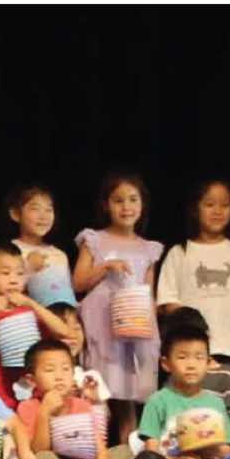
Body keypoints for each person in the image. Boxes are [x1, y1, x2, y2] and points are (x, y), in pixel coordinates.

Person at [73, 172, 164, 437]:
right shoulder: (94, 240)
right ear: (106, 205)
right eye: (118, 200)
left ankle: (129, 453)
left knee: (128, 398)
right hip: (102, 324)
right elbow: (78, 282)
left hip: (133, 327)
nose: (126, 207)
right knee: (98, 392)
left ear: (142, 204)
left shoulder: (148, 248)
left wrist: (149, 334)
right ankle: (94, 451)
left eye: (133, 200)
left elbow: (149, 294)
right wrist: (105, 267)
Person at [156, 180, 230, 412]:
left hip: (229, 349)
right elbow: (168, 302)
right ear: (195, 208)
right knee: (185, 411)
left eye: (225, 205)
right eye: (210, 204)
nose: (217, 211)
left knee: (226, 413)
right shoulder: (180, 253)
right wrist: (194, 324)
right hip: (189, 351)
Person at [130, 320, 230, 459]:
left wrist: (209, 447)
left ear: (209, 363)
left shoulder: (216, 403)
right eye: (182, 357)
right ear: (166, 364)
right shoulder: (158, 400)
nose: (191, 365)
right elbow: (152, 448)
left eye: (199, 357)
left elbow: (227, 451)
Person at [14, 340, 131, 459]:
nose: (59, 376)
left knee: (125, 453)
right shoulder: (28, 407)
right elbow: (39, 449)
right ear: (32, 380)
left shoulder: (82, 405)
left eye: (66, 369)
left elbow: (101, 451)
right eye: (50, 370)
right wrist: (44, 413)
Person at [0, 244, 77, 402]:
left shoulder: (31, 312)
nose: (13, 280)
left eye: (20, 274)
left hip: (33, 399)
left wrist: (32, 303)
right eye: (5, 273)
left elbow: (66, 332)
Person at [6, 184, 75, 309]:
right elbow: (5, 290)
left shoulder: (60, 254)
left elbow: (69, 296)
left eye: (49, 210)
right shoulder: (9, 250)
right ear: (15, 214)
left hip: (65, 318)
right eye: (35, 209)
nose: (43, 216)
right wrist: (29, 268)